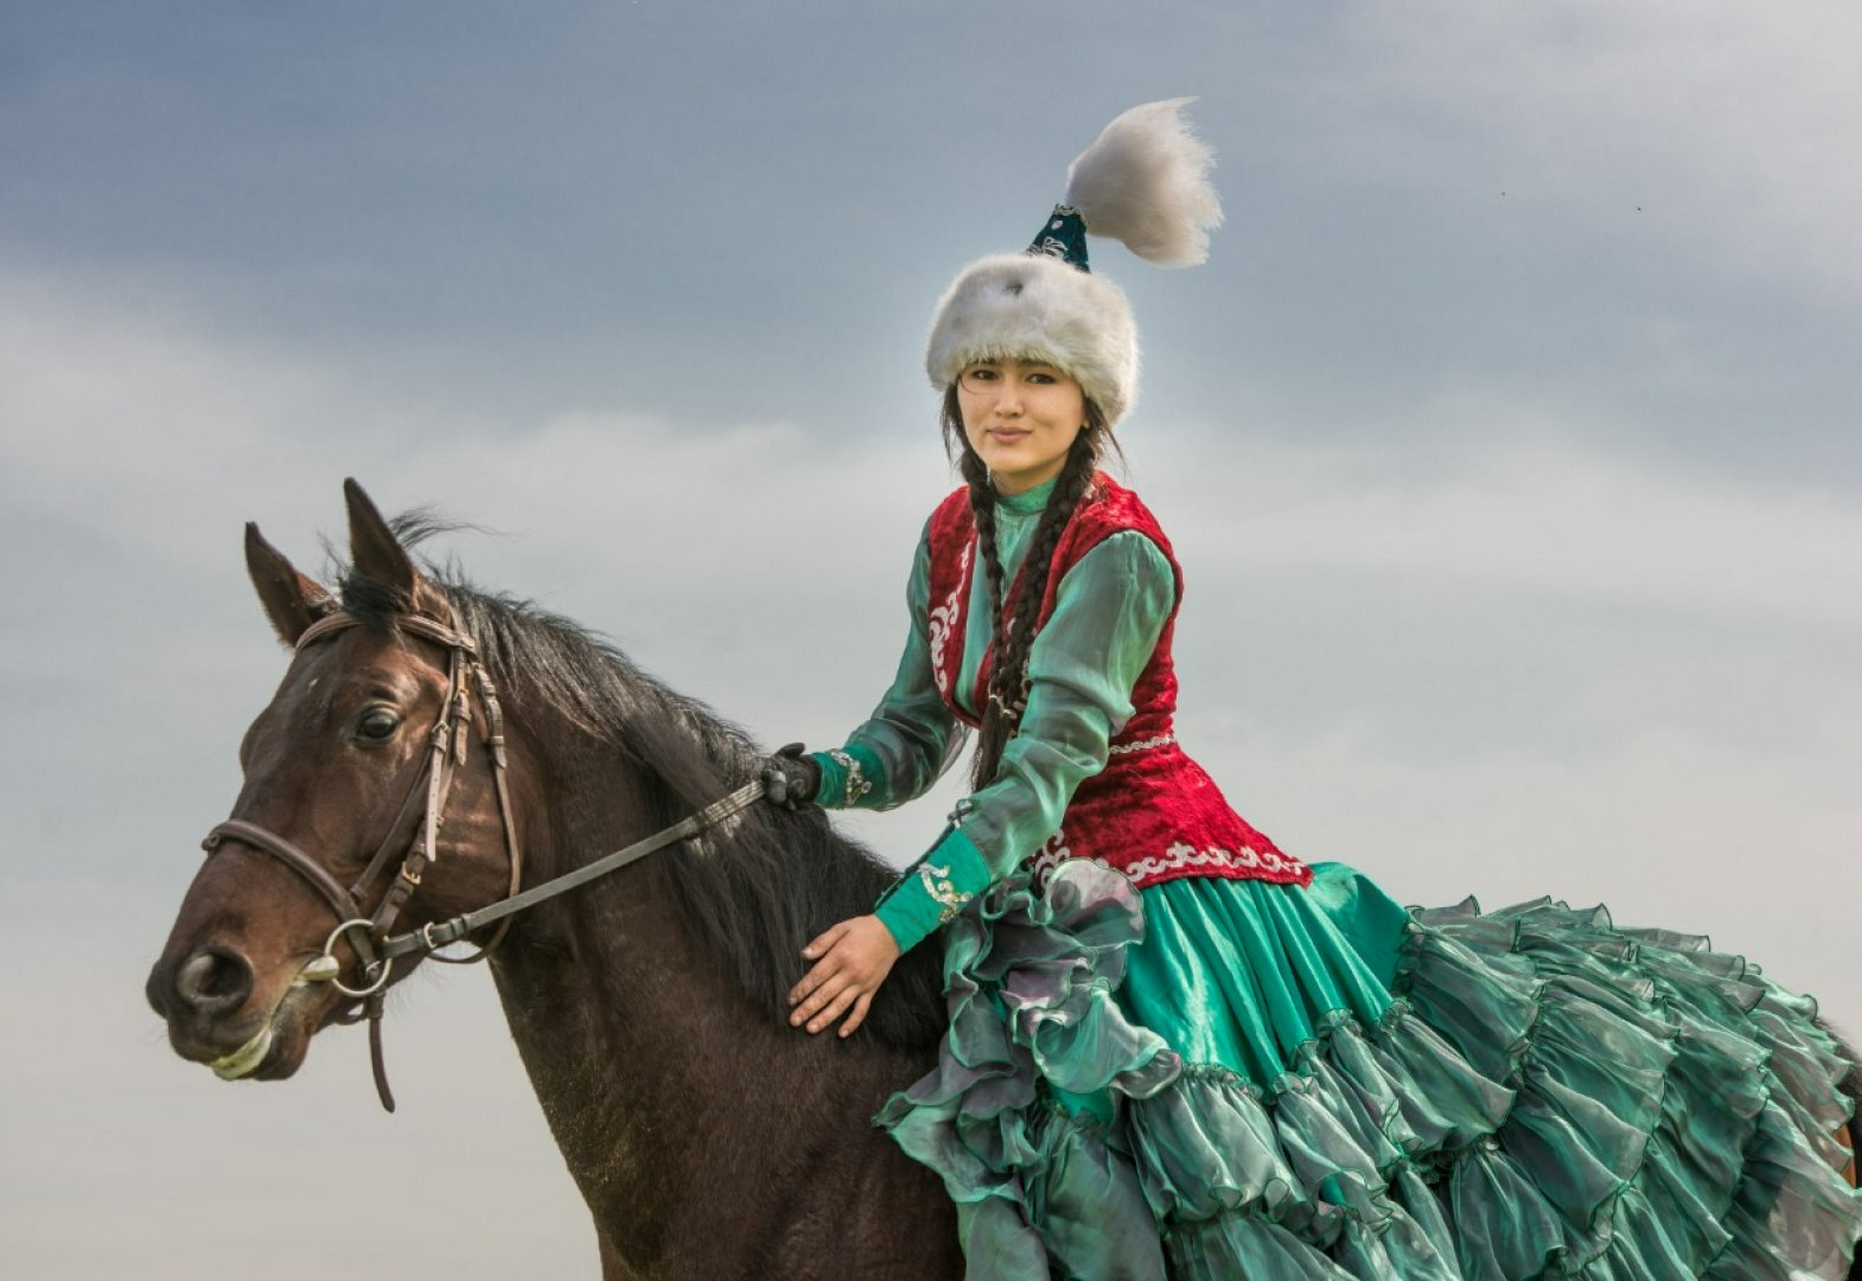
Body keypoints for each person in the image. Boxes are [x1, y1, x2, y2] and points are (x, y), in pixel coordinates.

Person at [765, 100, 1862, 1280]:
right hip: (1020, 888)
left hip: (1158, 883)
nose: (1006, 402)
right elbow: (918, 727)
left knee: (1205, 1177)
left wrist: (890, 930)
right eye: (983, 374)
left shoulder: (1116, 549)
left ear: (1090, 401)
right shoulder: (950, 534)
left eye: (1039, 375)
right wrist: (815, 776)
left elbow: (1036, 781)